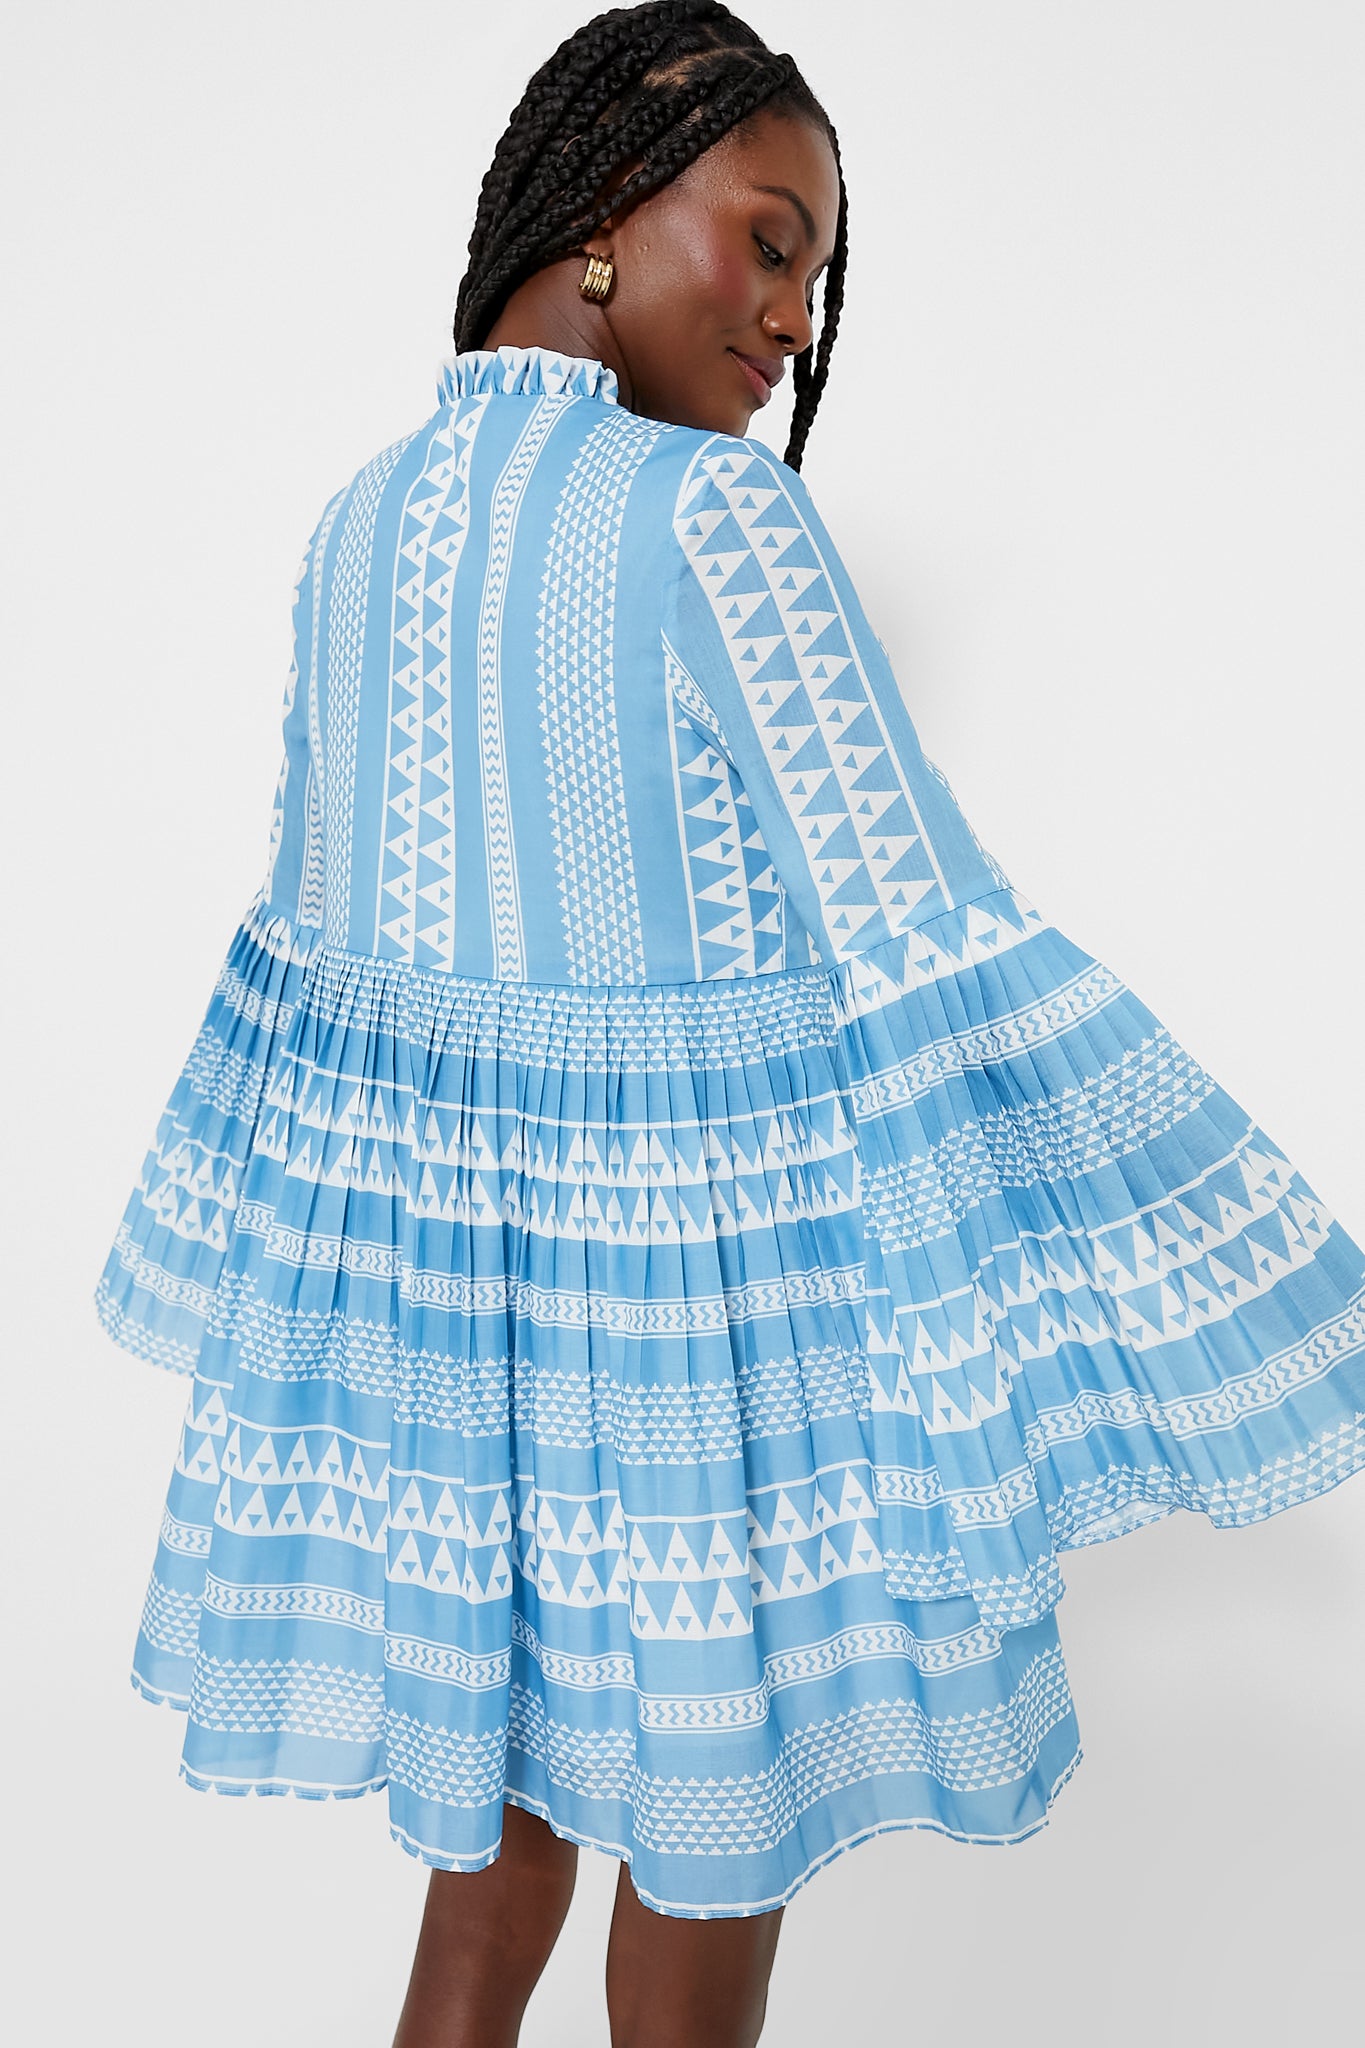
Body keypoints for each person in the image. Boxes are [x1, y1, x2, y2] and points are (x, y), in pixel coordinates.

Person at [93, 4, 1365, 2045]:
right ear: (607, 201)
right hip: (699, 1358)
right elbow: (930, 947)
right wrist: (1245, 1267)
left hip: (455, 1364)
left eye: (815, 278)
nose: (790, 319)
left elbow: (310, 980)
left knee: (480, 1896)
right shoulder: (708, 519)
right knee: (705, 1889)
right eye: (769, 242)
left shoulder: (359, 522)